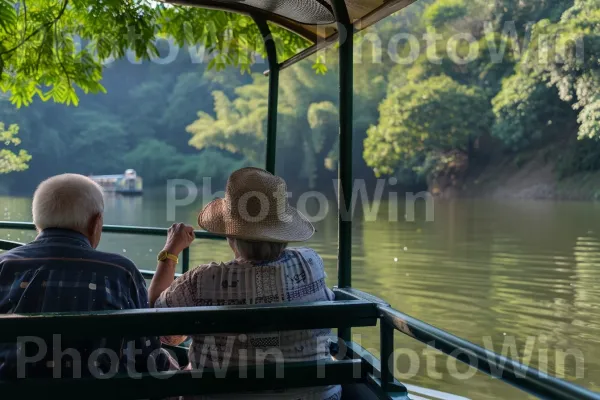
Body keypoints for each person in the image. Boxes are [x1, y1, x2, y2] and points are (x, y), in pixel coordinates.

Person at [149, 167, 341, 400]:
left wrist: (169, 253)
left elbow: (157, 325)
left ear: (231, 234)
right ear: (283, 231)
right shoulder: (311, 263)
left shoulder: (203, 281)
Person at [0, 174, 169, 379]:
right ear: (96, 223)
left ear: (37, 222)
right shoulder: (119, 272)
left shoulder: (4, 266)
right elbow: (149, 358)